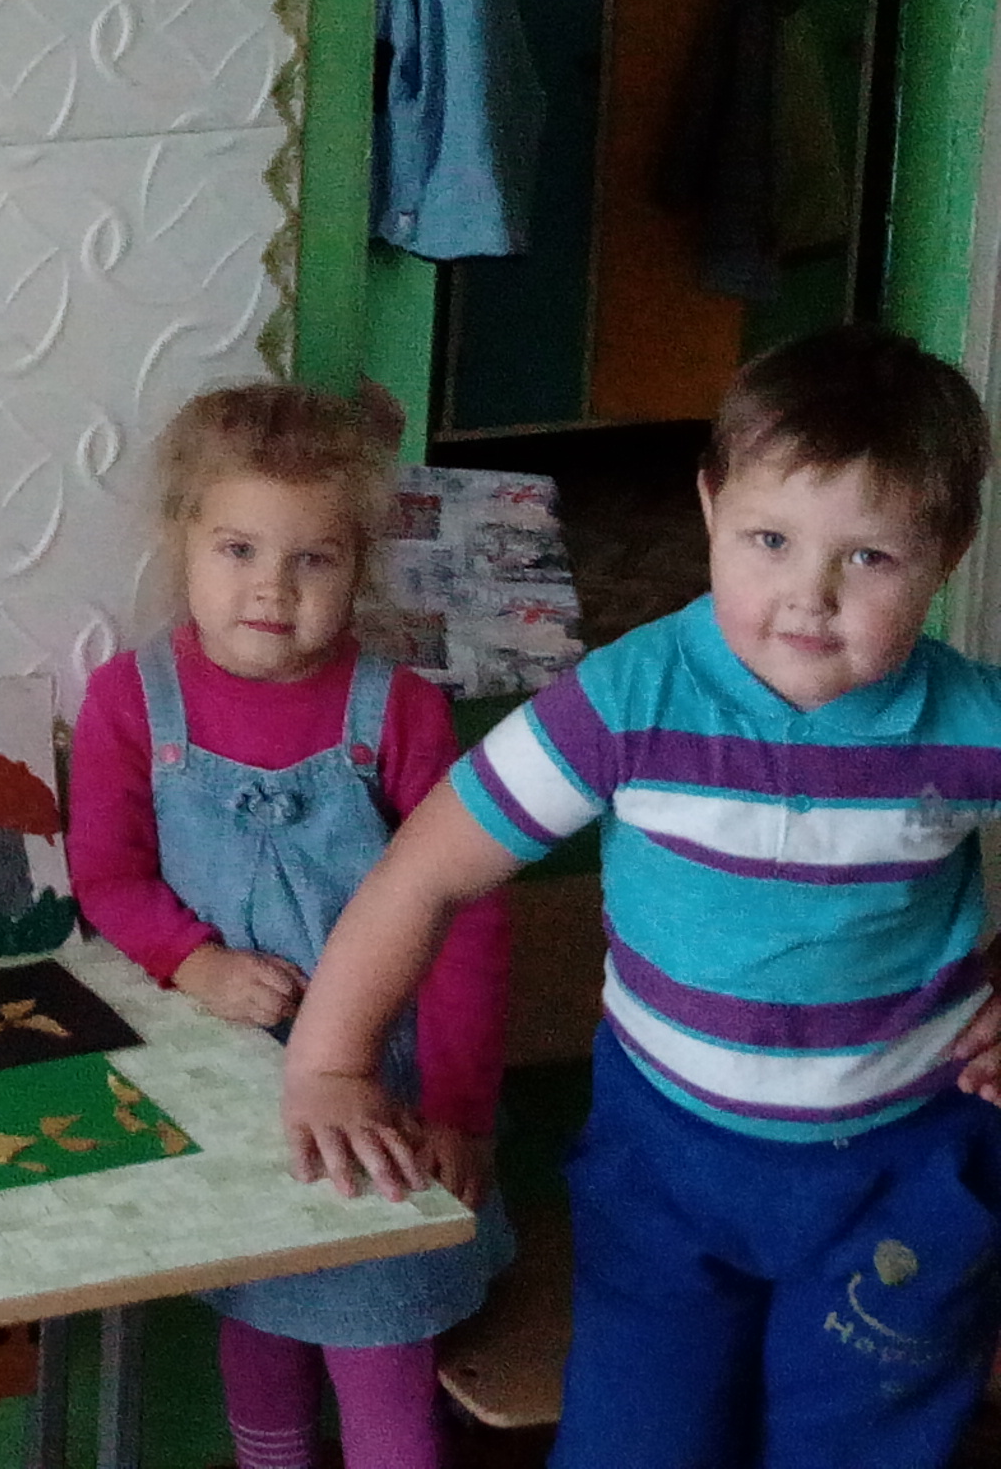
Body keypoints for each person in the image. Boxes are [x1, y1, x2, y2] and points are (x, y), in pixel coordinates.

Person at [284, 324, 1001, 1469]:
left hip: (901, 1174)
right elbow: (424, 871)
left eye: (868, 557)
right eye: (771, 539)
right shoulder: (624, 704)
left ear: (949, 551)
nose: (807, 597)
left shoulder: (969, 722)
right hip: (664, 1172)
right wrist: (328, 1065)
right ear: (711, 507)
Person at [72, 381, 511, 1469]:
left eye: (313, 558)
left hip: (386, 1101)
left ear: (359, 565)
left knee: (381, 1346)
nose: (273, 587)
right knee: (258, 1320)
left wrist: (460, 1110)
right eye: (238, 550)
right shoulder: (130, 701)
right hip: (232, 1086)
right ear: (182, 539)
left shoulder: (399, 710)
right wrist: (195, 962)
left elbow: (467, 918)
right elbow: (108, 877)